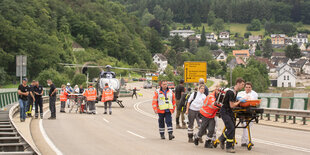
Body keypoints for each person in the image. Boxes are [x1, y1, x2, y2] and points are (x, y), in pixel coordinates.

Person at [218, 77, 246, 153]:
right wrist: (239, 101)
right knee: (231, 128)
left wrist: (237, 100)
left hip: (229, 111)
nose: (243, 86)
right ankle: (229, 147)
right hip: (225, 111)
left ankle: (222, 138)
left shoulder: (235, 92)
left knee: (232, 127)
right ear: (238, 83)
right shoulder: (231, 92)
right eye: (242, 84)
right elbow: (232, 105)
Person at [237, 82, 258, 147]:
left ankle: (244, 141)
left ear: (251, 88)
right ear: (244, 87)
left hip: (250, 111)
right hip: (242, 112)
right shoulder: (241, 93)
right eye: (246, 87)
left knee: (247, 127)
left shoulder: (254, 94)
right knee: (245, 126)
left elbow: (253, 100)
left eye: (249, 87)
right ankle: (248, 141)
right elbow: (238, 99)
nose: (248, 89)